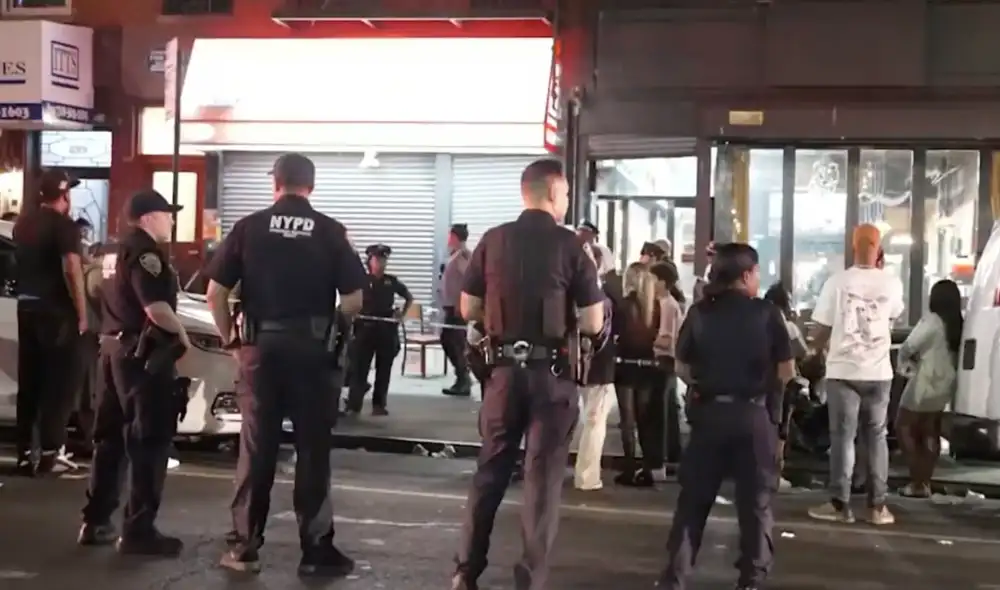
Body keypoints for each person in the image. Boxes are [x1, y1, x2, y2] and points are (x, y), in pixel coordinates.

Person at [204, 152, 366, 576]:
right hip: (313, 354)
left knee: (257, 449)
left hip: (261, 351)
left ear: (274, 183)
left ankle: (244, 548)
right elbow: (353, 299)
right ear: (311, 185)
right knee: (313, 450)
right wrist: (331, 329)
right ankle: (316, 552)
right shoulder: (330, 231)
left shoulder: (249, 228)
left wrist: (232, 340)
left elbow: (215, 293)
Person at [452, 158, 605, 590]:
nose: (567, 200)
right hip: (551, 376)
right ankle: (529, 580)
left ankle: (465, 570)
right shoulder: (570, 245)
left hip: (502, 374)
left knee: (490, 471)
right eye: (567, 193)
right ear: (553, 193)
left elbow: (468, 308)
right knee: (541, 481)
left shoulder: (492, 240)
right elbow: (593, 321)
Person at [658, 243, 794, 590]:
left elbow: (681, 365)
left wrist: (703, 382)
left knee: (693, 503)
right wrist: (777, 421)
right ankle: (751, 578)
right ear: (747, 275)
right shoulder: (767, 313)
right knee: (755, 505)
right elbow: (786, 371)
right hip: (753, 415)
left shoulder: (700, 312)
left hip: (710, 414)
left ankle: (675, 576)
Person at [78, 189, 186, 555]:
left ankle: (96, 521)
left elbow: (94, 291)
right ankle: (139, 529)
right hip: (140, 357)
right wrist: (182, 336)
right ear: (148, 217)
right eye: (167, 214)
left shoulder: (111, 251)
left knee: (109, 440)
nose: (171, 220)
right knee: (148, 441)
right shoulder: (145, 253)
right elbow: (156, 308)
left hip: (111, 351)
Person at [807, 224, 904, 526]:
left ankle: (840, 505)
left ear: (853, 247)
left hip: (843, 371)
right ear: (879, 249)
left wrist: (813, 349)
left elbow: (821, 330)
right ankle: (878, 507)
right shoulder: (892, 283)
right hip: (879, 372)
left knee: (843, 438)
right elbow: (892, 316)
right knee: (876, 437)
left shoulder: (837, 282)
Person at [12, 168, 87, 476]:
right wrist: (82, 313)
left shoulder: (23, 225)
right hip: (56, 312)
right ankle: (51, 452)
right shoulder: (64, 226)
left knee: (30, 382)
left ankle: (25, 452)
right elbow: (71, 268)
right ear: (65, 194)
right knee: (59, 384)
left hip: (26, 308)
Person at [894, 279, 962, 498]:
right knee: (930, 431)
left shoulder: (932, 321)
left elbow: (909, 345)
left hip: (924, 382)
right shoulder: (957, 323)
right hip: (945, 384)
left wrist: (904, 365)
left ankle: (917, 482)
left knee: (903, 426)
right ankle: (925, 482)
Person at [613, 262, 665, 487]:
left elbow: (616, 333)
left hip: (626, 364)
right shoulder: (654, 306)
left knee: (627, 419)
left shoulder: (624, 305)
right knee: (644, 418)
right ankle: (647, 467)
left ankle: (629, 467)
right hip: (647, 365)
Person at [345, 243, 412, 416]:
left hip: (386, 329)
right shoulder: (361, 280)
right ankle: (354, 405)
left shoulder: (391, 281)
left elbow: (408, 297)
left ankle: (379, 404)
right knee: (359, 368)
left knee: (384, 369)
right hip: (364, 329)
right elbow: (347, 298)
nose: (381, 263)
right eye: (377, 259)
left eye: (384, 259)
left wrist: (401, 314)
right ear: (370, 261)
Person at [573, 243, 617, 491]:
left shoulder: (569, 295)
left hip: (574, 365)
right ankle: (587, 476)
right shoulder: (603, 298)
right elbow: (602, 334)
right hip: (599, 367)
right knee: (595, 421)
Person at [762, 282, 808, 490]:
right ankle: (775, 474)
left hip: (759, 382)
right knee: (781, 430)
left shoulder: (757, 322)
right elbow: (802, 352)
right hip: (782, 383)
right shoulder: (787, 326)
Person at [441, 223, 473, 396]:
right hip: (450, 306)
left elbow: (468, 280)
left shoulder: (463, 255)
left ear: (454, 237)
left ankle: (464, 379)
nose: (448, 239)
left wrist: (462, 305)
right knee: (449, 341)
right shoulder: (455, 254)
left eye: (449, 235)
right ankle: (462, 377)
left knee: (455, 343)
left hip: (457, 308)